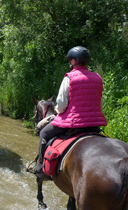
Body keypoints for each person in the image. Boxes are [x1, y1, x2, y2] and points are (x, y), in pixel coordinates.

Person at [30, 46, 107, 179]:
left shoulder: (69, 78)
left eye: (70, 60)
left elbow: (61, 106)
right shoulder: (98, 78)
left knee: (44, 133)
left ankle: (41, 167)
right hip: (94, 124)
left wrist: (57, 110)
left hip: (72, 122)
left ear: (73, 61)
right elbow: (100, 103)